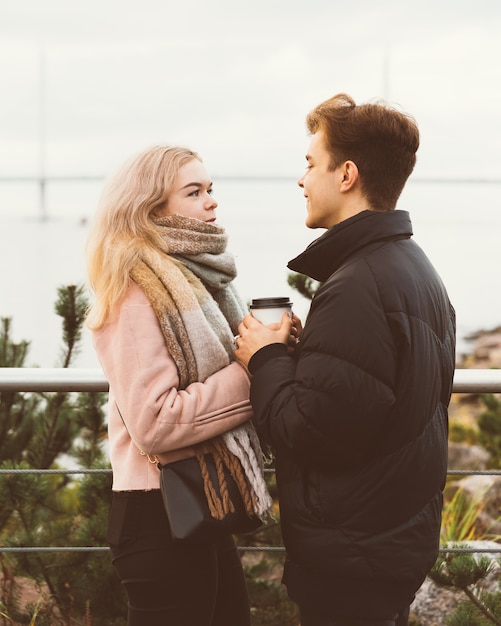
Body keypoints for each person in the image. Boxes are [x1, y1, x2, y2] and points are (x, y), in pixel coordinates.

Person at [234, 93, 456, 626]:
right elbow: (375, 399)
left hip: (352, 558)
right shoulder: (412, 267)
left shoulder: (358, 284)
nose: (302, 179)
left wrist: (265, 358)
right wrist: (308, 353)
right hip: (386, 544)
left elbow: (313, 430)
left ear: (347, 174)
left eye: (311, 164)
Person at [85, 145, 272, 626]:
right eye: (194, 192)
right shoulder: (134, 289)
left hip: (199, 502)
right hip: (157, 513)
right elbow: (155, 421)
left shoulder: (196, 277)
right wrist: (253, 368)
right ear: (149, 209)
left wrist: (271, 347)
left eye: (211, 190)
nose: (211, 202)